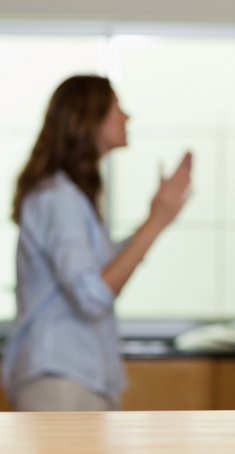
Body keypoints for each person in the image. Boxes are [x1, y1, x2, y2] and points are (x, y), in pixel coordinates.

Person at [4, 75, 192, 411]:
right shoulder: (58, 197)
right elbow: (92, 293)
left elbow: (100, 269)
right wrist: (156, 220)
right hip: (60, 379)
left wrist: (156, 219)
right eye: (117, 108)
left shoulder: (72, 196)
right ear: (88, 118)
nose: (127, 116)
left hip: (75, 377)